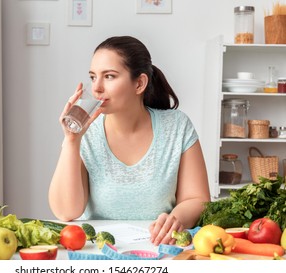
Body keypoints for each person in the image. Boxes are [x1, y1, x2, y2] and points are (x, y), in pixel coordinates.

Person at [49, 36, 210, 245]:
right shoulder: (86, 132)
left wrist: (175, 220)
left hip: (160, 248)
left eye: (109, 76)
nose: (96, 88)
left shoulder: (177, 126)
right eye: (92, 77)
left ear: (139, 83)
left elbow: (197, 198)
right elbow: (66, 212)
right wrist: (71, 141)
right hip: (101, 252)